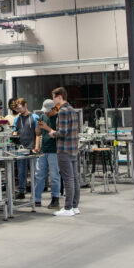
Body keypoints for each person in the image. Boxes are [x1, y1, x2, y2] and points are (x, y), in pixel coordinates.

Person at [50, 87, 80, 217]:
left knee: (68, 179)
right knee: (74, 179)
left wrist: (53, 133)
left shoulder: (62, 111)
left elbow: (62, 132)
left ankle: (67, 208)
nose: (53, 100)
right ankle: (74, 206)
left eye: (54, 97)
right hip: (73, 149)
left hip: (64, 150)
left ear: (59, 97)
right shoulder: (73, 110)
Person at [33, 99, 62, 209]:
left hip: (54, 150)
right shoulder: (43, 117)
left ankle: (55, 198)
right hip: (43, 150)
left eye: (48, 111)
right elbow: (38, 133)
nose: (46, 113)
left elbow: (59, 133)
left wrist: (46, 127)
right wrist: (38, 127)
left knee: (54, 175)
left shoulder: (59, 118)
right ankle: (36, 199)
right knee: (39, 175)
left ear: (53, 109)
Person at [12, 98, 38, 199]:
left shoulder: (34, 117)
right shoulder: (17, 119)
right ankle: (21, 191)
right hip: (21, 149)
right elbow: (15, 130)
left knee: (34, 172)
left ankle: (36, 192)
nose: (19, 110)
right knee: (21, 171)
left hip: (32, 148)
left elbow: (38, 133)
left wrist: (36, 147)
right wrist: (14, 135)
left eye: (20, 108)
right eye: (17, 109)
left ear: (25, 105)